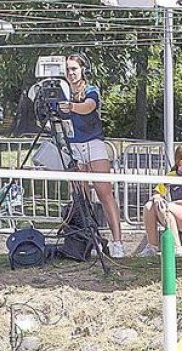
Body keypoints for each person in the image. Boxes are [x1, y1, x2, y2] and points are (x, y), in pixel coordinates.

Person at [59, 53, 125, 257]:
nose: (70, 73)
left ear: (82, 69)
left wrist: (70, 107)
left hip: (93, 143)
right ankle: (89, 239)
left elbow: (89, 106)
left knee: (104, 192)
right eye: (68, 69)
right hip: (72, 145)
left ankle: (118, 241)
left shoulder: (91, 89)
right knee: (81, 196)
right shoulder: (61, 91)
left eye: (74, 69)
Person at [137, 145, 182, 258]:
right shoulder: (171, 175)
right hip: (174, 214)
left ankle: (177, 249)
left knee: (166, 207)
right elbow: (156, 193)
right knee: (149, 206)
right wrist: (157, 198)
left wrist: (173, 204)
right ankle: (152, 247)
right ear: (181, 162)